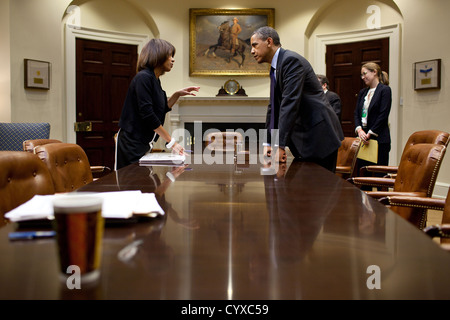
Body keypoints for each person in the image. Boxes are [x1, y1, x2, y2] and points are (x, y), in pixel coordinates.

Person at [250, 26, 344, 172]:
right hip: (307, 137)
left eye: (255, 45)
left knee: (322, 191)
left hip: (319, 136)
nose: (252, 51)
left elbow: (290, 103)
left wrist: (279, 145)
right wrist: (268, 142)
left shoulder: (290, 61)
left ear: (269, 41)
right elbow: (274, 107)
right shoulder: (276, 67)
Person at [116, 38, 200, 170]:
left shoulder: (154, 80)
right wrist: (172, 143)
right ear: (157, 55)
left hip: (143, 142)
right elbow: (148, 115)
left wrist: (177, 94)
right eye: (170, 55)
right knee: (130, 183)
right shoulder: (143, 78)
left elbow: (162, 109)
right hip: (131, 144)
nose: (173, 60)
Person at [354, 62, 391, 180]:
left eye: (365, 74)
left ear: (374, 72)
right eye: (361, 75)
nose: (363, 77)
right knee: (364, 174)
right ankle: (364, 198)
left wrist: (370, 132)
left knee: (379, 175)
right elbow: (356, 113)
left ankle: (379, 198)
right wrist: (359, 129)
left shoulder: (385, 90)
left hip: (378, 138)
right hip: (363, 138)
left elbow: (383, 114)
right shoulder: (362, 92)